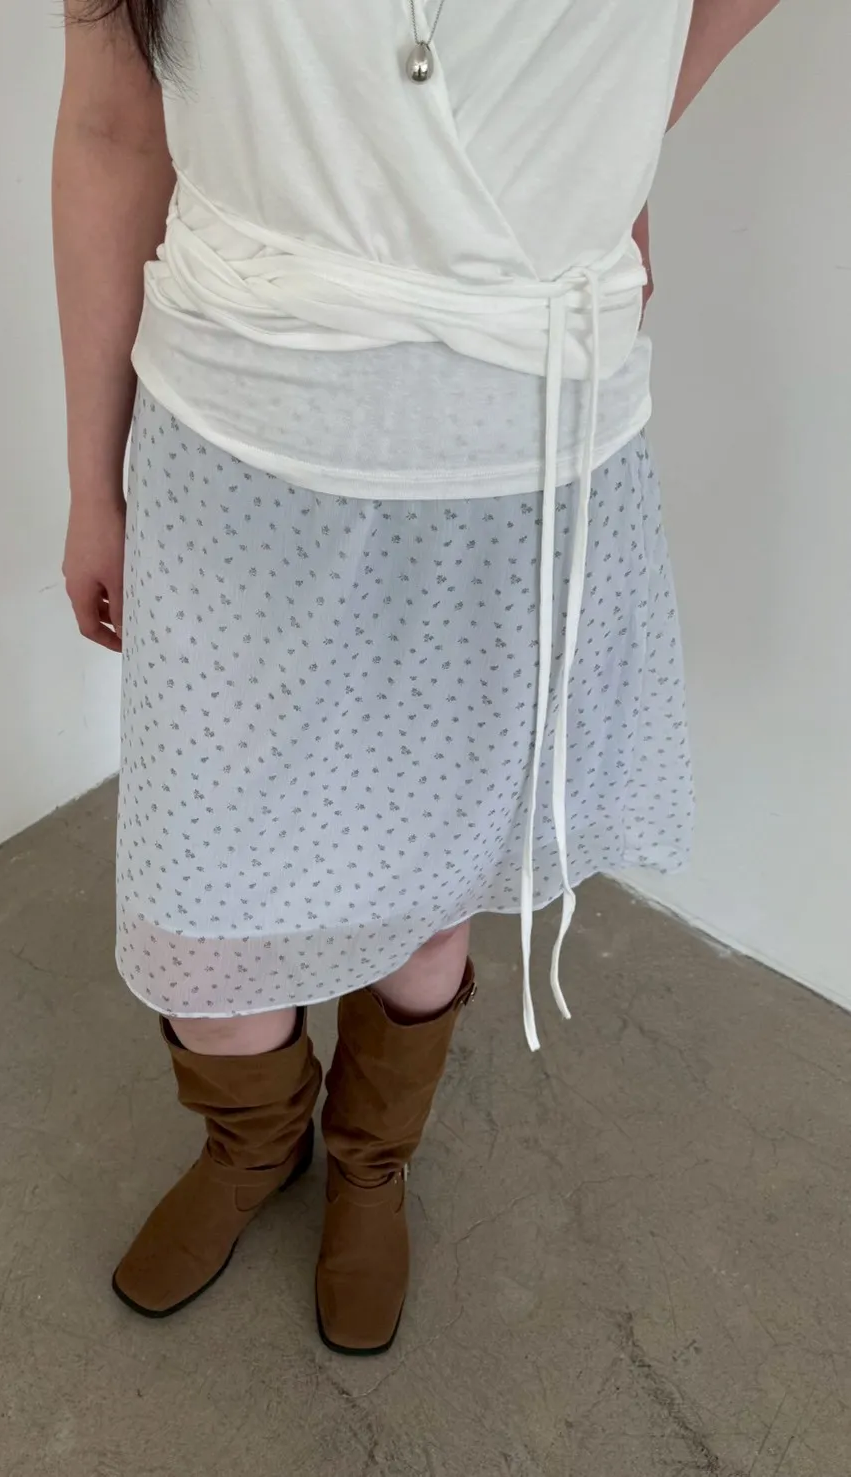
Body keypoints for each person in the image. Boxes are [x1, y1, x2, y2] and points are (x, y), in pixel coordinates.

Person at [54, 0, 781, 1355]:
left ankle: (371, 1161)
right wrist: (92, 482)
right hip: (232, 448)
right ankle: (250, 1145)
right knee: (204, 920)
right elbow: (110, 125)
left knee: (426, 888)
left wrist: (600, 149)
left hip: (514, 470)